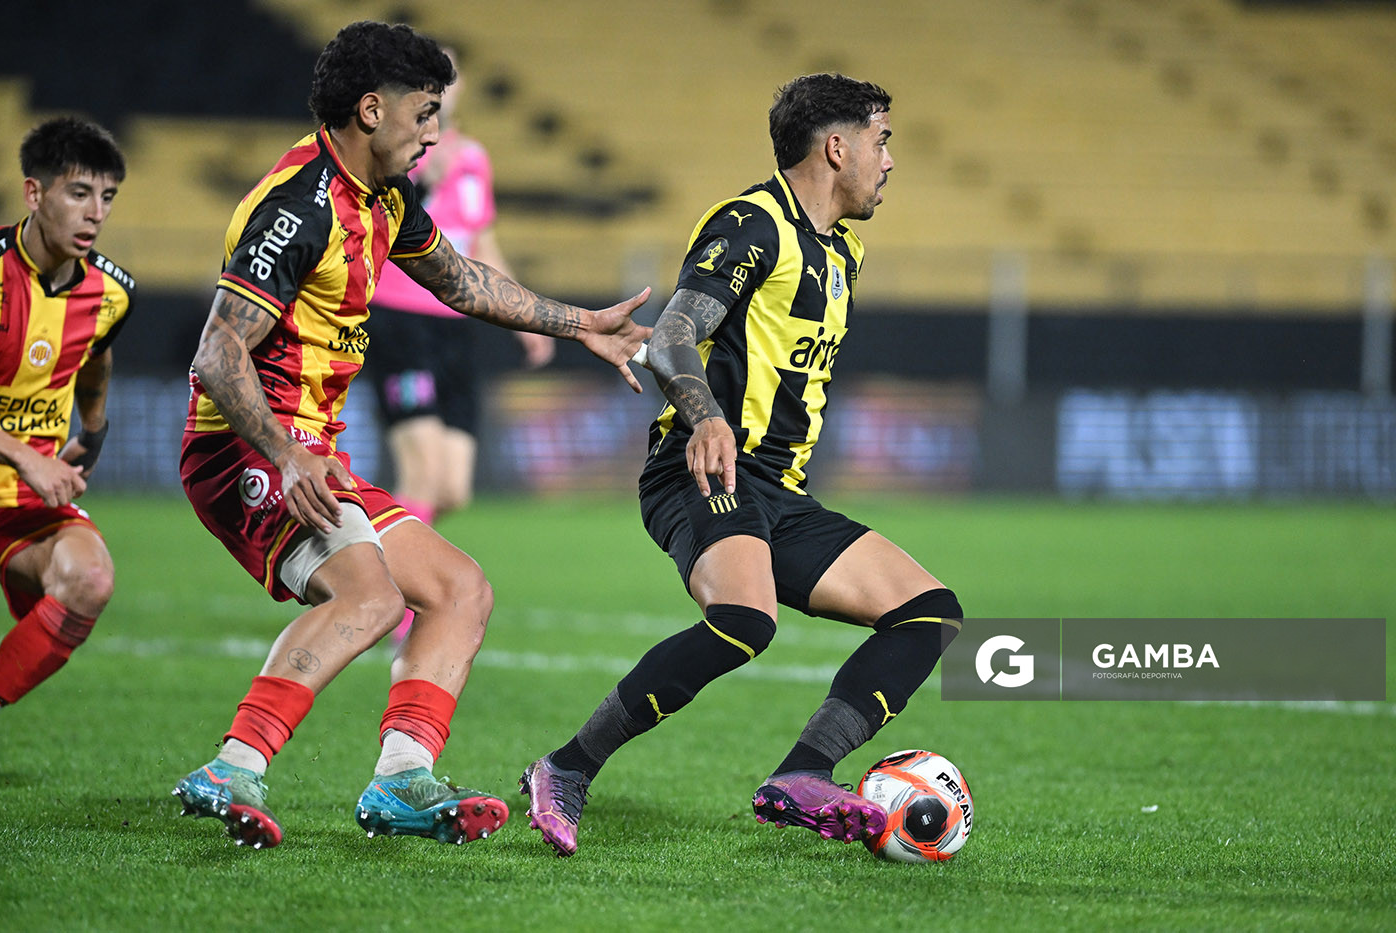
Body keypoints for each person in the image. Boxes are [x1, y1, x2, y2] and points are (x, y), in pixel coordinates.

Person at [173, 21, 650, 851]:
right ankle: (233, 765)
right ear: (371, 108)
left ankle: (400, 780)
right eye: (424, 114)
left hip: (313, 450)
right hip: (243, 449)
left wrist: (581, 326)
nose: (434, 132)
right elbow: (217, 352)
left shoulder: (385, 198)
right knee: (370, 596)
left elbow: (462, 281)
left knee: (461, 589)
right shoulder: (300, 204)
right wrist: (285, 454)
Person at [520, 74, 963, 858]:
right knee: (745, 619)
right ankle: (564, 767)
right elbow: (673, 335)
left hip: (779, 492)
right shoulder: (752, 224)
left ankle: (802, 772)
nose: (889, 160)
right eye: (881, 139)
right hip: (700, 468)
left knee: (930, 610)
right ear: (837, 146)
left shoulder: (842, 254)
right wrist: (707, 415)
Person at [368, 48, 553, 534]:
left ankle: (372, 554)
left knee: (452, 488)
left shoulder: (473, 158)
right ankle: (394, 599)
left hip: (454, 324)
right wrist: (423, 179)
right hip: (399, 320)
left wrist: (527, 318)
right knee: (422, 472)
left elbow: (483, 245)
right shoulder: (388, 153)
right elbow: (370, 225)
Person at [0, 118, 131, 715]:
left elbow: (96, 358)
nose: (95, 213)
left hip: (25, 503)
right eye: (78, 193)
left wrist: (93, 434)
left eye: (106, 197)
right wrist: (26, 456)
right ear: (34, 194)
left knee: (90, 579)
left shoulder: (110, 293)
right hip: (27, 472)